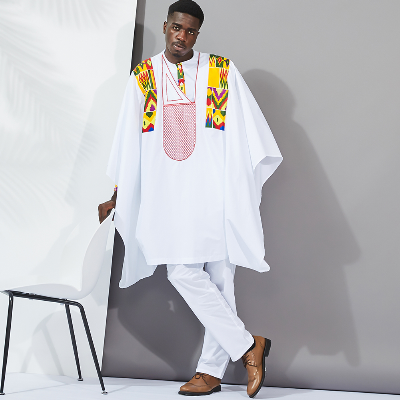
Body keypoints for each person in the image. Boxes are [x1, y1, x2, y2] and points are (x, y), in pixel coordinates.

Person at [98, 0, 282, 397]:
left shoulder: (220, 72)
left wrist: (239, 186)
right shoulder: (144, 77)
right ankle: (248, 345)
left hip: (215, 195)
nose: (182, 36)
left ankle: (210, 372)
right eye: (177, 28)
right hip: (169, 198)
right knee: (182, 271)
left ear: (198, 33)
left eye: (191, 31)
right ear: (166, 26)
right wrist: (117, 192)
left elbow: (248, 135)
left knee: (221, 280)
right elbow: (129, 142)